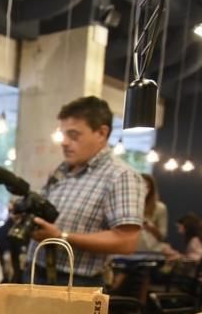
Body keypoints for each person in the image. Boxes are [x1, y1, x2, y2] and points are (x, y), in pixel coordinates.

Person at [30, 96, 144, 287]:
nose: (64, 142)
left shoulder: (120, 176)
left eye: (73, 135)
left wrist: (61, 237)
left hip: (77, 283)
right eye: (63, 134)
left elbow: (127, 241)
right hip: (37, 271)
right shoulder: (62, 170)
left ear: (101, 133)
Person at [137, 174, 167, 252]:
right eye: (141, 185)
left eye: (147, 186)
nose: (144, 189)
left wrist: (150, 226)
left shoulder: (159, 208)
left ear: (151, 189)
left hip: (150, 250)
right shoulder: (128, 204)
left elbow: (162, 236)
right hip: (128, 249)